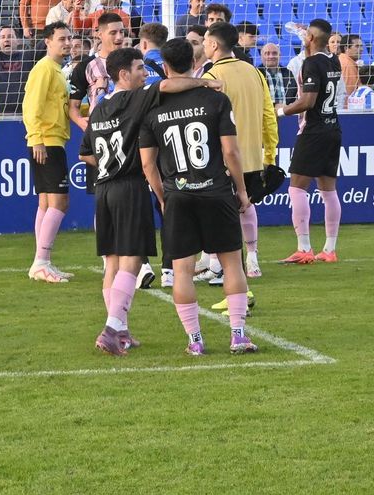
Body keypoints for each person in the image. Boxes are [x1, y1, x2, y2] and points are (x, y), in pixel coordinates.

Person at [81, 48, 216, 355]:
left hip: (103, 189)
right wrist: (204, 83)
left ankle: (122, 329)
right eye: (140, 68)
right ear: (124, 75)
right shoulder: (136, 97)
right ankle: (112, 329)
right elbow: (169, 85)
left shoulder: (99, 107)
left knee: (112, 264)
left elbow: (84, 153)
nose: (146, 73)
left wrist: (108, 162)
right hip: (129, 187)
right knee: (131, 259)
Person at [140, 38, 256, 355]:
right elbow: (231, 150)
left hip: (178, 195)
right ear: (194, 61)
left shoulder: (152, 105)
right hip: (216, 191)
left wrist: (164, 198)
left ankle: (195, 341)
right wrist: (242, 191)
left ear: (164, 66)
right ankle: (238, 335)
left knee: (182, 270)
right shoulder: (215, 98)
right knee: (232, 265)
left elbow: (148, 163)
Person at [202, 22, 277, 281]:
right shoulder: (255, 72)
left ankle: (219, 265)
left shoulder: (211, 78)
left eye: (205, 40)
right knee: (247, 205)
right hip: (253, 155)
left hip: (224, 156)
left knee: (219, 211)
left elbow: (208, 122)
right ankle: (253, 259)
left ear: (213, 44)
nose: (203, 45)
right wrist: (269, 154)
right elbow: (269, 114)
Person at [279, 18, 344, 263]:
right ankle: (329, 249)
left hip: (314, 130)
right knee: (328, 191)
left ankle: (304, 247)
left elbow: (307, 102)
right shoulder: (333, 60)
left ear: (312, 39)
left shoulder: (311, 63)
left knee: (296, 187)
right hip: (333, 127)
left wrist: (281, 111)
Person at [260, 43, 297, 108]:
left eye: (274, 53)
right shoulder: (257, 73)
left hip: (287, 113)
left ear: (280, 55)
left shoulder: (289, 73)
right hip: (265, 113)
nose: (271, 56)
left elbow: (294, 95)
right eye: (267, 53)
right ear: (261, 56)